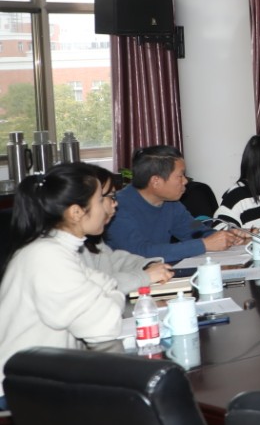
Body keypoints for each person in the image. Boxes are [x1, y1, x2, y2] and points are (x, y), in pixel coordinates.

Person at [0, 163, 155, 390]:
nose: (110, 206)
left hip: (44, 379)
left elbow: (105, 286)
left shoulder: (59, 249)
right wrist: (111, 294)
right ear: (76, 212)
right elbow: (104, 326)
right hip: (20, 390)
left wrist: (107, 292)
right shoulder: (47, 256)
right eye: (101, 200)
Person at [104, 145, 250, 262]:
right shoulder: (117, 207)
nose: (185, 181)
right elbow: (140, 252)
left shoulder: (171, 204)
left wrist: (227, 237)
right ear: (156, 181)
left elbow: (194, 230)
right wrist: (204, 245)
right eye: (180, 176)